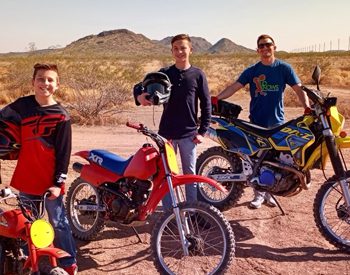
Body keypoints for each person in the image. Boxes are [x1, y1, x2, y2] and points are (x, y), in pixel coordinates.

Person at [215, 34, 310, 209]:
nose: (265, 48)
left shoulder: (284, 68)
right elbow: (235, 86)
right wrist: (217, 98)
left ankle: (270, 194)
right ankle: (258, 195)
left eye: (268, 45)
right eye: (262, 46)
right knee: (257, 160)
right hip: (256, 121)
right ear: (258, 50)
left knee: (275, 161)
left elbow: (298, 89)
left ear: (274, 47)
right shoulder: (252, 71)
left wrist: (307, 107)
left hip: (277, 122)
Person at [0, 63, 78, 274]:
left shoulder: (61, 115)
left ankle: (68, 261)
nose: (45, 83)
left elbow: (64, 153)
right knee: (28, 226)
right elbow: (2, 121)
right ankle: (29, 261)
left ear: (58, 84)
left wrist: (58, 183)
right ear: (33, 83)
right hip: (26, 176)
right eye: (41, 79)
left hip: (49, 181)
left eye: (50, 80)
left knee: (58, 223)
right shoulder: (22, 106)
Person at [134, 34, 211, 210]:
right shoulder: (165, 74)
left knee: (190, 175)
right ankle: (169, 213)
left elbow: (206, 104)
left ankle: (192, 210)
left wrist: (202, 131)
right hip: (166, 135)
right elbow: (140, 85)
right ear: (172, 51)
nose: (179, 51)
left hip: (189, 135)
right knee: (165, 175)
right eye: (176, 48)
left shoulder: (198, 75)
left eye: (183, 48)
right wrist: (140, 96)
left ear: (190, 50)